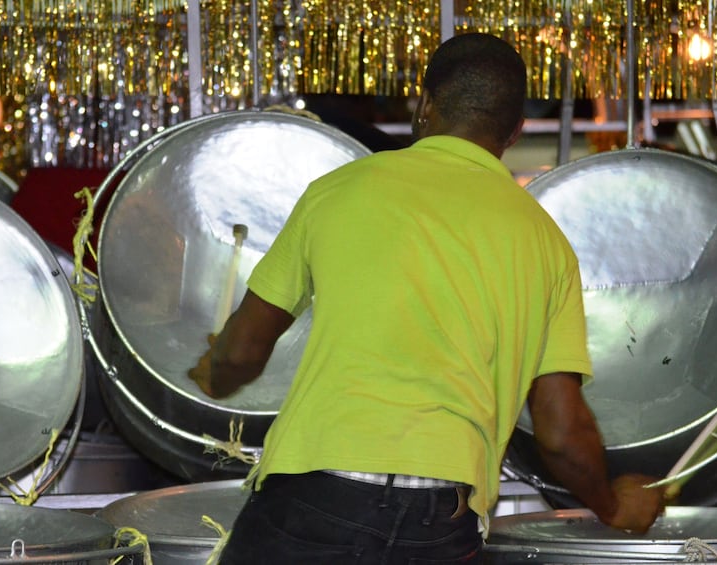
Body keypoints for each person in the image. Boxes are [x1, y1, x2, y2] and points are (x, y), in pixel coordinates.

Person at [188, 32, 665, 564]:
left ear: (424, 107)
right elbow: (560, 431)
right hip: (440, 518)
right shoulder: (545, 243)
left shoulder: (341, 190)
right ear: (514, 132)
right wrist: (610, 504)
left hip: (316, 495)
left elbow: (241, 351)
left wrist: (211, 370)